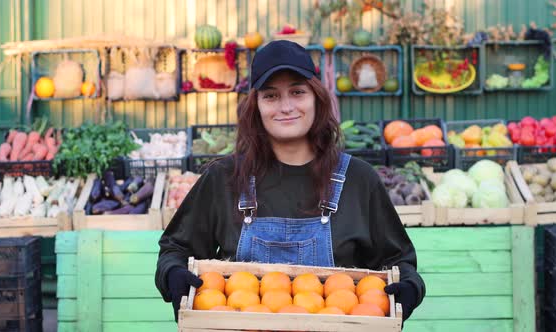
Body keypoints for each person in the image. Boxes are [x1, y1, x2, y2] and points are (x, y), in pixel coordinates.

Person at [155, 40, 425, 323]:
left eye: (297, 92)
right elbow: (176, 249)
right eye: (271, 96)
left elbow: (399, 261)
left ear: (316, 99)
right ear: (255, 106)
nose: (286, 107)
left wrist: (408, 287)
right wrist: (173, 275)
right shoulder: (224, 178)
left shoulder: (358, 180)